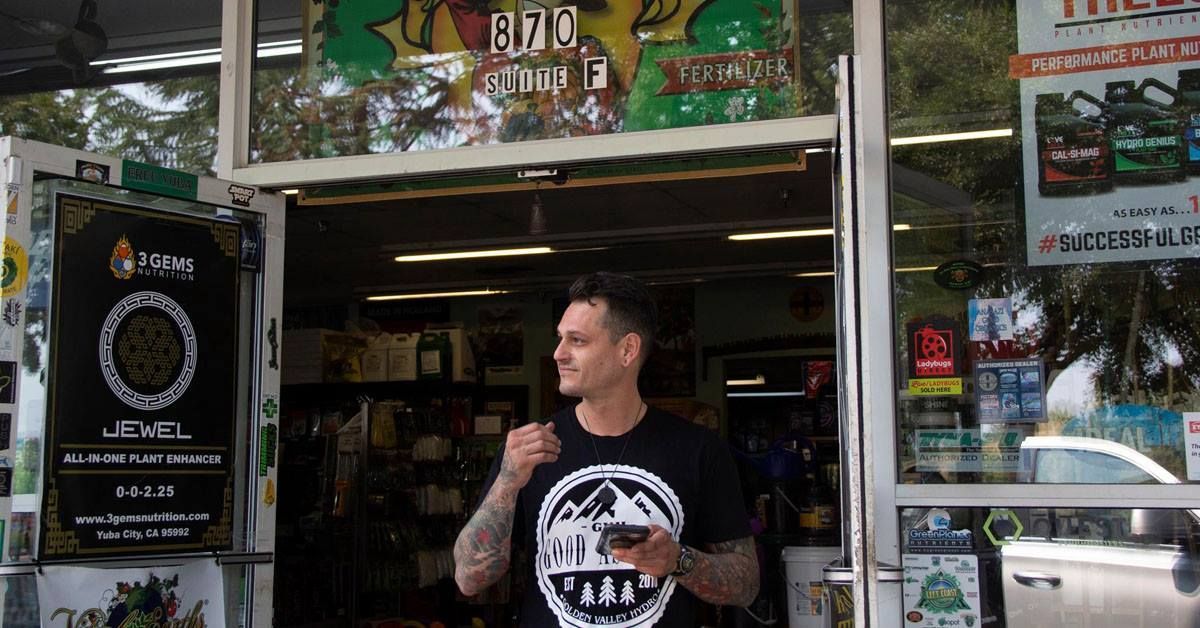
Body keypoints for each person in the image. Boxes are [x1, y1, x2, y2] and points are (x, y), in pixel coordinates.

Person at [454, 272, 759, 626]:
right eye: (560, 339)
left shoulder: (698, 449)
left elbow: (747, 585)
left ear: (627, 350)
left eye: (577, 340)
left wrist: (677, 560)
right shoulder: (529, 449)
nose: (558, 354)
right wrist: (507, 483)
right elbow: (469, 579)